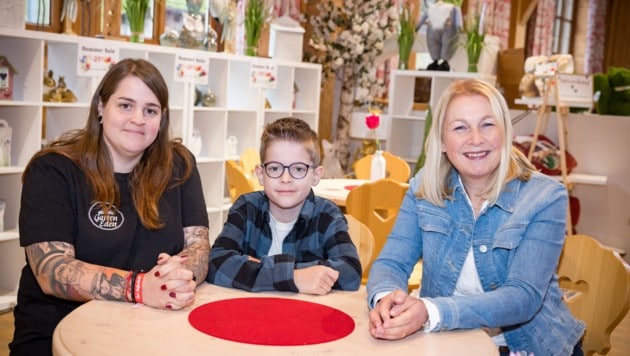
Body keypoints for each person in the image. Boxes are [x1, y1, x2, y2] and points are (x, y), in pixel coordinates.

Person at [367, 79, 585, 355]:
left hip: (524, 347)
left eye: (487, 124)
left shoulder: (545, 196)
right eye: (460, 127)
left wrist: (431, 311)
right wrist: (387, 302)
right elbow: (392, 262)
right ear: (443, 142)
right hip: (445, 341)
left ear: (504, 132)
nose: (476, 139)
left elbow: (522, 298)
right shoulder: (424, 187)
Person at [10, 58, 210, 355]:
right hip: (57, 333)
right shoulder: (53, 170)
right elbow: (51, 270)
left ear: (162, 118)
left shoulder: (179, 164)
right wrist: (140, 288)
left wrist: (178, 276)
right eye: (125, 105)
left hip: (151, 328)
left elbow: (199, 246)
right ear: (101, 108)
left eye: (150, 110)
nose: (138, 119)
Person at [207, 117, 361, 295]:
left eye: (298, 169)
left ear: (316, 176)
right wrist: (295, 277)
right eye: (274, 168)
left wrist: (256, 267)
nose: (285, 179)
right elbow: (216, 263)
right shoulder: (246, 208)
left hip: (303, 317)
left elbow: (350, 273)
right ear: (261, 174)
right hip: (250, 313)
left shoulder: (327, 215)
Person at [415, 0, 463, 71]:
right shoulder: (432, 7)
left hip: (447, 29)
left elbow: (458, 19)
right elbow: (424, 17)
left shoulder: (454, 8)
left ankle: (445, 62)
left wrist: (459, 26)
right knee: (433, 43)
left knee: (447, 43)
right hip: (433, 28)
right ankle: (435, 61)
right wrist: (417, 26)